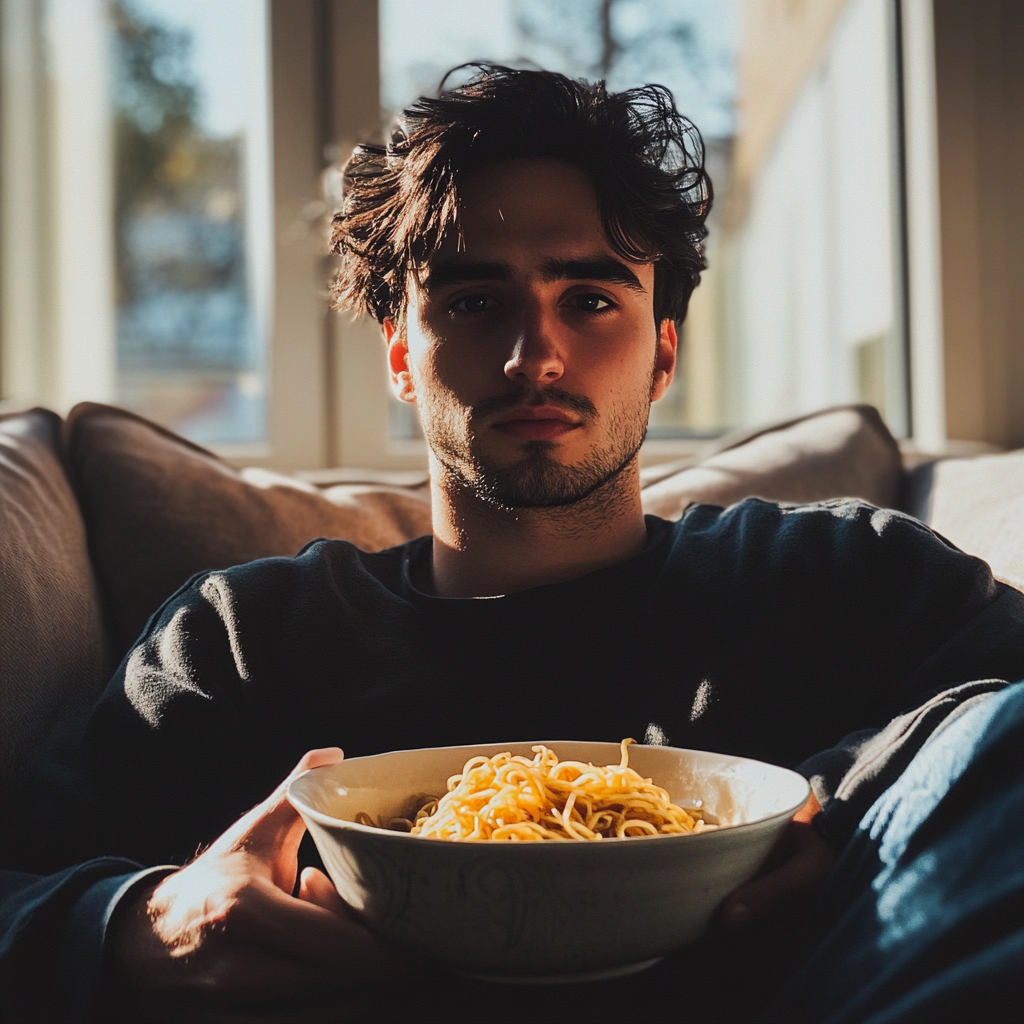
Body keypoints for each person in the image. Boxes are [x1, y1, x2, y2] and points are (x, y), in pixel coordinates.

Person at [2, 66, 1022, 1023]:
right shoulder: (244, 636)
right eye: (474, 301)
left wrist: (845, 800)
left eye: (589, 299)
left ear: (661, 354)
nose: (536, 355)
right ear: (402, 354)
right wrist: (145, 922)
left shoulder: (834, 577)